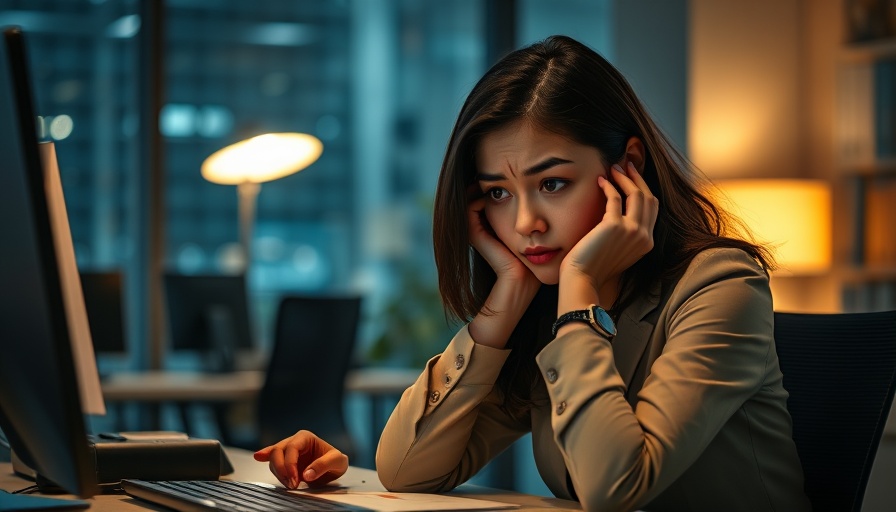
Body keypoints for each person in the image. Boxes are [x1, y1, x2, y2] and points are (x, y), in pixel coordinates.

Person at [257, 35, 812, 512]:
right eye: (498, 193)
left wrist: (578, 296)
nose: (525, 223)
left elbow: (617, 487)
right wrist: (506, 300)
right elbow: (406, 470)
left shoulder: (720, 285)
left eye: (552, 184)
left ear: (629, 168)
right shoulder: (540, 308)